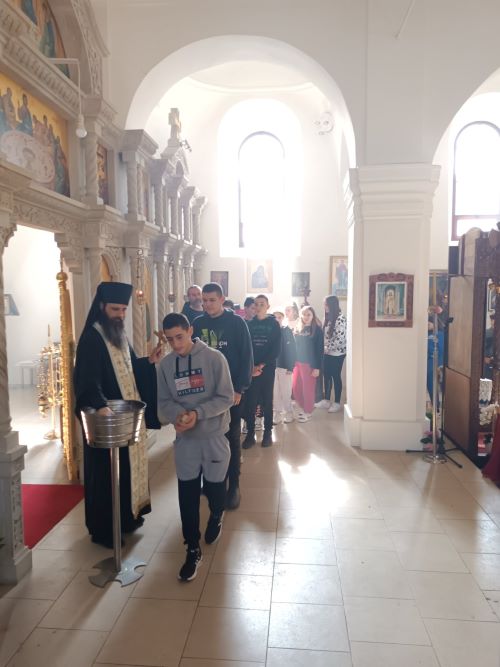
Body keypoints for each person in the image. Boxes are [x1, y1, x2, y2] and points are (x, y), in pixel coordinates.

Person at [74, 282, 162, 548]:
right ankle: (104, 530)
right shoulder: (92, 337)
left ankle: (126, 518)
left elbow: (130, 366)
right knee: (105, 475)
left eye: (124, 309)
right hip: (106, 420)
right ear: (102, 307)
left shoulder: (118, 334)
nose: (121, 314)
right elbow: (86, 379)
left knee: (124, 470)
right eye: (115, 309)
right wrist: (100, 406)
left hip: (124, 417)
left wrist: (148, 361)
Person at [157, 312, 234, 581]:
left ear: (190, 330)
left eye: (179, 337)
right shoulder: (166, 366)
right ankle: (192, 547)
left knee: (215, 490)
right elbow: (163, 402)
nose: (176, 344)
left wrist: (197, 414)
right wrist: (178, 416)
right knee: (187, 495)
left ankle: (216, 514)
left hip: (214, 437)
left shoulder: (214, 358)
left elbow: (226, 397)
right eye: (170, 340)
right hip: (186, 442)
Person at [192, 282, 253, 509]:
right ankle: (211, 481)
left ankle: (233, 485)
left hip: (230, 392)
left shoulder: (236, 323)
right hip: (204, 393)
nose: (207, 304)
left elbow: (246, 356)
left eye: (212, 300)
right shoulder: (198, 324)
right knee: (206, 438)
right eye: (204, 301)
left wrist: (239, 388)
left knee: (230, 438)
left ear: (222, 299)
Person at [242, 294, 281, 448]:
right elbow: (246, 348)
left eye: (262, 304)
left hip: (267, 368)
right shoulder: (248, 324)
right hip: (252, 369)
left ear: (267, 306)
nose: (258, 307)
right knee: (251, 401)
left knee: (267, 400)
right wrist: (252, 366)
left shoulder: (274, 324)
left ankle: (267, 433)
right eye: (256, 304)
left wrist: (262, 365)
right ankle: (250, 434)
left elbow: (276, 349)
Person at [292, 306, 324, 422]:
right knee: (296, 388)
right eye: (304, 314)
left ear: (313, 316)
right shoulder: (298, 328)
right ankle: (304, 407)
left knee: (308, 389)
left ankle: (308, 411)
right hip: (297, 363)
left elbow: (319, 350)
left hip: (310, 364)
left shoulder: (317, 330)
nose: (306, 317)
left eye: (309, 314)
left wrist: (317, 368)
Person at [316, 296, 347, 413]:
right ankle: (327, 400)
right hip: (327, 351)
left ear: (332, 305)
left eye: (326, 304)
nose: (324, 306)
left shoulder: (340, 319)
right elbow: (325, 335)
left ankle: (337, 402)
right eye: (324, 304)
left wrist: (326, 348)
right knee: (327, 375)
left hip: (337, 353)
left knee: (335, 376)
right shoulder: (327, 317)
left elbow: (340, 339)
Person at [272, 309, 296, 424]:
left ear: (283, 318)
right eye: (275, 317)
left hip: (285, 367)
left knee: (286, 392)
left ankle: (289, 413)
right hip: (272, 367)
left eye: (279, 317)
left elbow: (293, 349)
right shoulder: (269, 331)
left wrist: (290, 366)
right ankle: (277, 414)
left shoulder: (287, 331)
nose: (277, 319)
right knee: (275, 392)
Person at [484, 313, 495, 379]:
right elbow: (480, 349)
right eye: (493, 319)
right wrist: (484, 358)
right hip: (487, 364)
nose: (494, 322)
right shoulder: (485, 333)